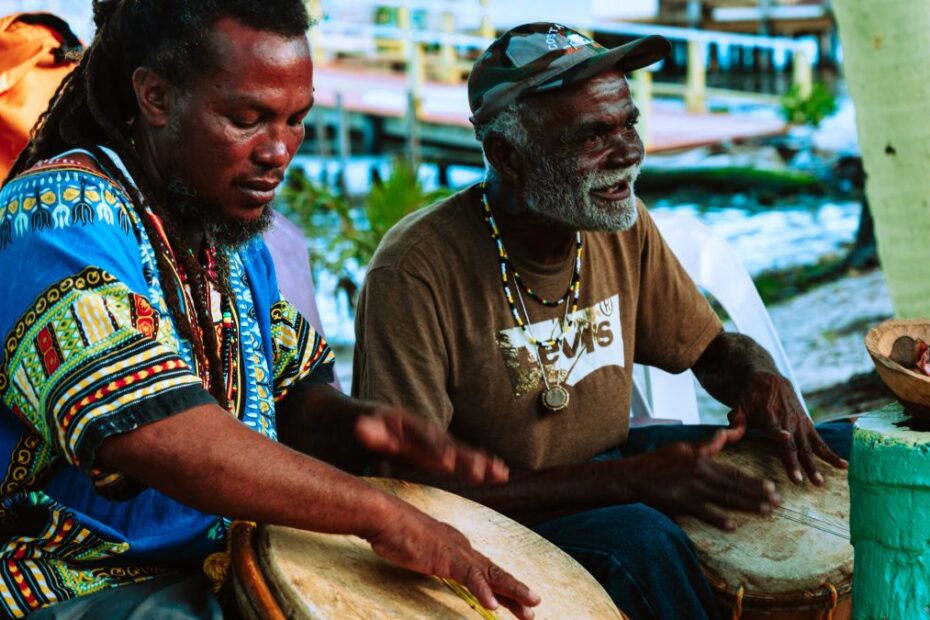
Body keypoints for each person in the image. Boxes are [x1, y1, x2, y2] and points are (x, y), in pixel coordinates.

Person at [0, 2, 542, 618]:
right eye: (247, 119)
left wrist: (357, 425)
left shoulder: (227, 232)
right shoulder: (56, 213)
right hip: (77, 586)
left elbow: (289, 396)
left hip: (227, 564)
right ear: (154, 96)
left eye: (296, 120)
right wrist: (377, 513)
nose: (278, 151)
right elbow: (160, 433)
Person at [353, 22, 851, 620]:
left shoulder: (620, 223)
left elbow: (712, 349)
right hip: (495, 516)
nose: (630, 153)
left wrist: (758, 376)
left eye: (629, 124)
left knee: (849, 449)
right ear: (507, 155)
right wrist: (630, 483)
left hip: (613, 469)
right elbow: (413, 494)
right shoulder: (415, 270)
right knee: (640, 540)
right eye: (595, 134)